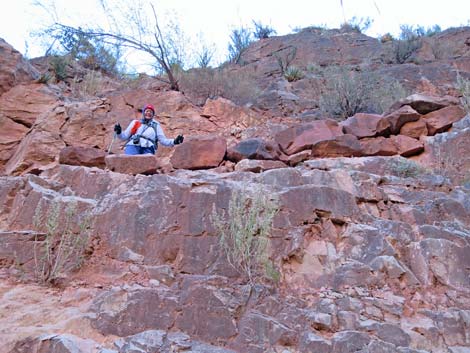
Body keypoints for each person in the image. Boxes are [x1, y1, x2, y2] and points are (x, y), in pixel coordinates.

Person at [114, 104, 184, 155]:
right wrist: (119, 132)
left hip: (148, 147)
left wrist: (175, 141)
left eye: (151, 112)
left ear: (153, 115)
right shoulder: (136, 122)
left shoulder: (156, 125)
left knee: (147, 166)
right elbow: (124, 136)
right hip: (133, 145)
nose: (148, 113)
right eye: (147, 111)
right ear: (144, 112)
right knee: (129, 162)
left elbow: (163, 141)